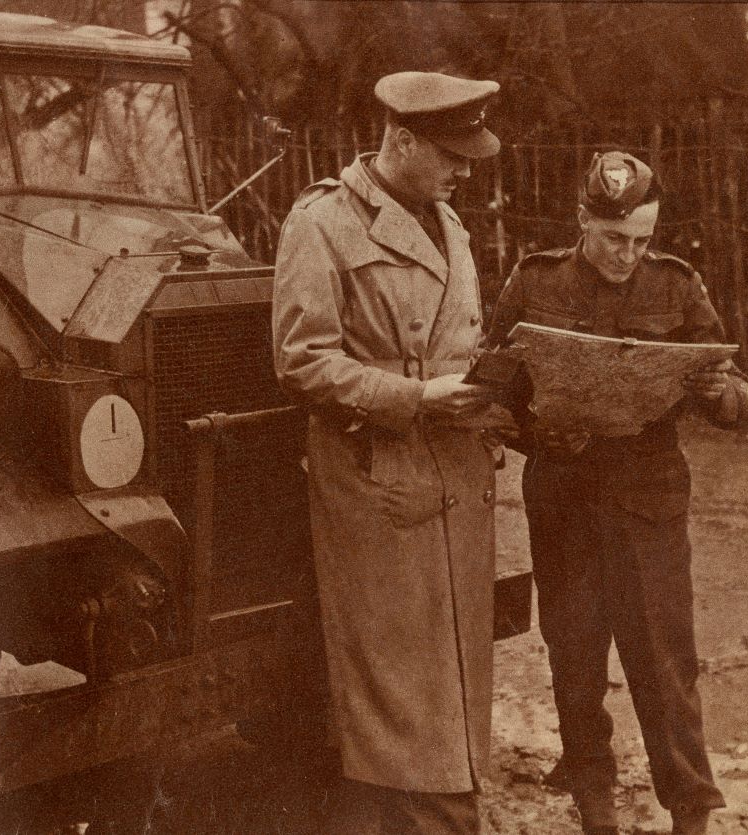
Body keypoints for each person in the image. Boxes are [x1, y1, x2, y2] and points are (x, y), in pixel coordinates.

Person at [272, 71, 516, 834]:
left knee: (444, 704)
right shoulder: (322, 223)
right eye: (449, 153)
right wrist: (415, 398)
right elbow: (301, 360)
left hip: (455, 480)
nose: (464, 169)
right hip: (381, 491)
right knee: (406, 715)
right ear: (400, 140)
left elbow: (458, 343)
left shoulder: (450, 224)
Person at [486, 151, 748, 835]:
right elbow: (493, 393)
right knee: (574, 659)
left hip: (648, 501)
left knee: (666, 664)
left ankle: (691, 811)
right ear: (583, 220)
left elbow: (734, 392)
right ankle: (594, 809)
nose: (629, 254)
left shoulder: (677, 285)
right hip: (564, 498)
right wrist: (542, 432)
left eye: (642, 239)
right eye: (614, 238)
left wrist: (722, 393)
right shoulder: (534, 279)